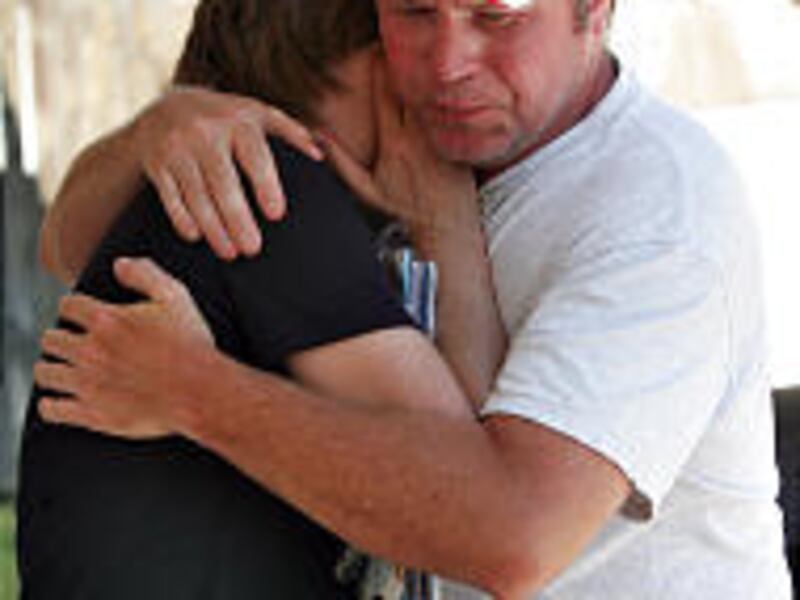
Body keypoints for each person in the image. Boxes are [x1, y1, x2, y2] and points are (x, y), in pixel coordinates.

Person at [34, 0, 792, 597]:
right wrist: (160, 130)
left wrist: (192, 391)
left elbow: (510, 535)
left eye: (496, 18)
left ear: (594, 7)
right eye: (415, 13)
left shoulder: (655, 211)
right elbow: (64, 246)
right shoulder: (397, 165)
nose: (447, 64)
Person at [19, 0, 504, 598]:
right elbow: (468, 511)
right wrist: (446, 214)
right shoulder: (267, 191)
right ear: (376, 68)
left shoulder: (195, 187)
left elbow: (59, 247)